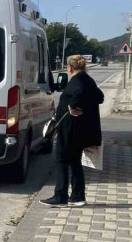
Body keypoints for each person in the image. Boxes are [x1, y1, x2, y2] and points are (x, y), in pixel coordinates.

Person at [40, 55, 104, 208]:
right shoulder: (88, 80)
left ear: (69, 68)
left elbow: (80, 92)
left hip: (70, 129)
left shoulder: (78, 81)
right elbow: (100, 97)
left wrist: (72, 106)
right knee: (75, 162)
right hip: (81, 129)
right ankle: (77, 196)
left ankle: (60, 197)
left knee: (61, 160)